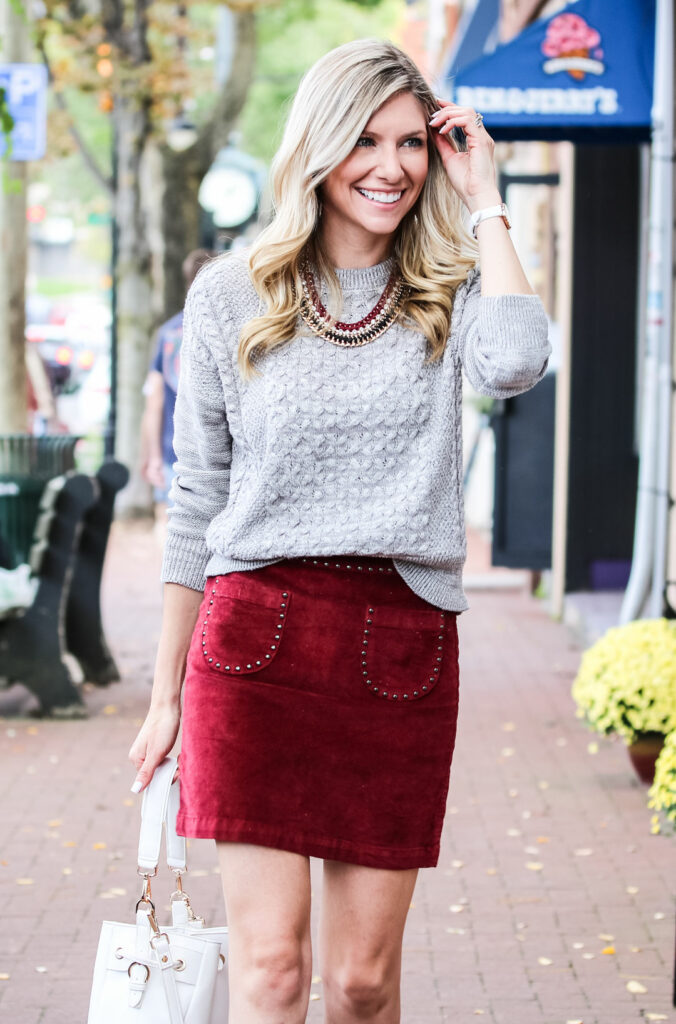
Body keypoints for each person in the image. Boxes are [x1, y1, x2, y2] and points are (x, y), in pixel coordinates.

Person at [128, 38, 551, 1024]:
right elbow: (196, 503)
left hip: (397, 644)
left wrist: (481, 191)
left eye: (410, 142)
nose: (390, 165)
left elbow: (520, 359)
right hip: (251, 648)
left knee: (360, 985)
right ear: (317, 146)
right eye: (364, 138)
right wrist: (163, 696)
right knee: (271, 970)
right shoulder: (230, 293)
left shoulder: (448, 283)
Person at [140, 249, 213, 516]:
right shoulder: (230, 331)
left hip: (173, 449)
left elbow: (155, 399)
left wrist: (152, 456)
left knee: (167, 523)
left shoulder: (168, 332)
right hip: (214, 455)